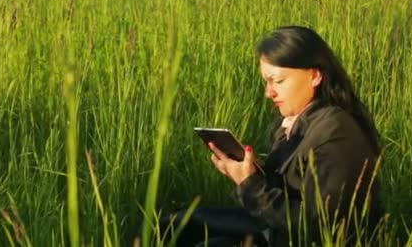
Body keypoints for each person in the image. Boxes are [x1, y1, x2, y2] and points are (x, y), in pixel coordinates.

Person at [161, 26, 383, 246]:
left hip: (297, 238)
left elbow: (318, 227)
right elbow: (287, 193)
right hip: (275, 231)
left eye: (278, 81)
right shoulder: (297, 122)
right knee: (178, 223)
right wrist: (250, 174)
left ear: (314, 76)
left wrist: (250, 185)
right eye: (266, 82)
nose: (269, 92)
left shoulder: (336, 133)